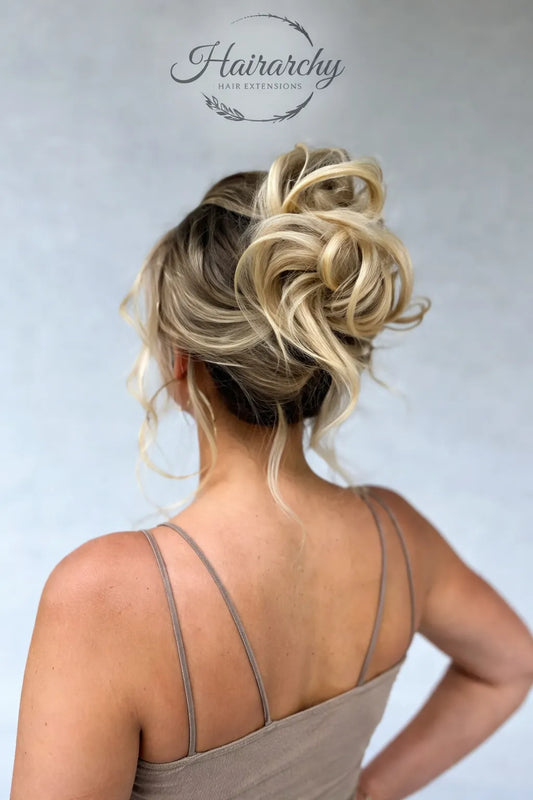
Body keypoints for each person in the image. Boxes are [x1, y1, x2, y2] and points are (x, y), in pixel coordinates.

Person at [10, 143, 533, 800]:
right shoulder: (398, 539)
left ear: (180, 363)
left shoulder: (104, 596)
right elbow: (509, 664)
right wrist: (366, 792)